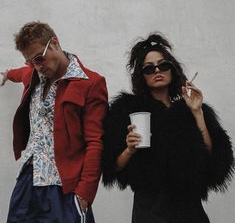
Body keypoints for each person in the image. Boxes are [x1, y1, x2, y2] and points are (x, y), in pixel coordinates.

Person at [102, 33, 234, 223]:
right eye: (149, 68)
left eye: (163, 65)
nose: (157, 71)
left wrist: (197, 113)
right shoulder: (127, 111)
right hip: (150, 210)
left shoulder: (189, 110)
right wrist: (130, 150)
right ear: (142, 75)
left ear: (172, 69)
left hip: (189, 209)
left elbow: (212, 158)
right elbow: (111, 166)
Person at [1, 21, 108, 223]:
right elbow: (18, 73)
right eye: (31, 62)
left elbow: (95, 142)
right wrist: (6, 75)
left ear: (55, 44)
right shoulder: (33, 74)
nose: (38, 67)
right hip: (28, 180)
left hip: (63, 186)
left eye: (40, 58)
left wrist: (84, 194)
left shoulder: (91, 83)